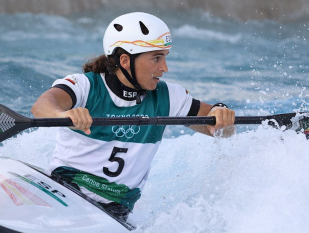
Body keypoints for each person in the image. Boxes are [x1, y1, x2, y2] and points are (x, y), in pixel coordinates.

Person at [31, 12, 235, 221]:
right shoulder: (85, 86)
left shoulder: (169, 96)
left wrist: (221, 114)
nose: (164, 68)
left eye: (164, 57)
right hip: (63, 191)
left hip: (113, 213)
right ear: (126, 60)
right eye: (156, 58)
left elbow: (221, 131)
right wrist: (63, 114)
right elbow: (41, 106)